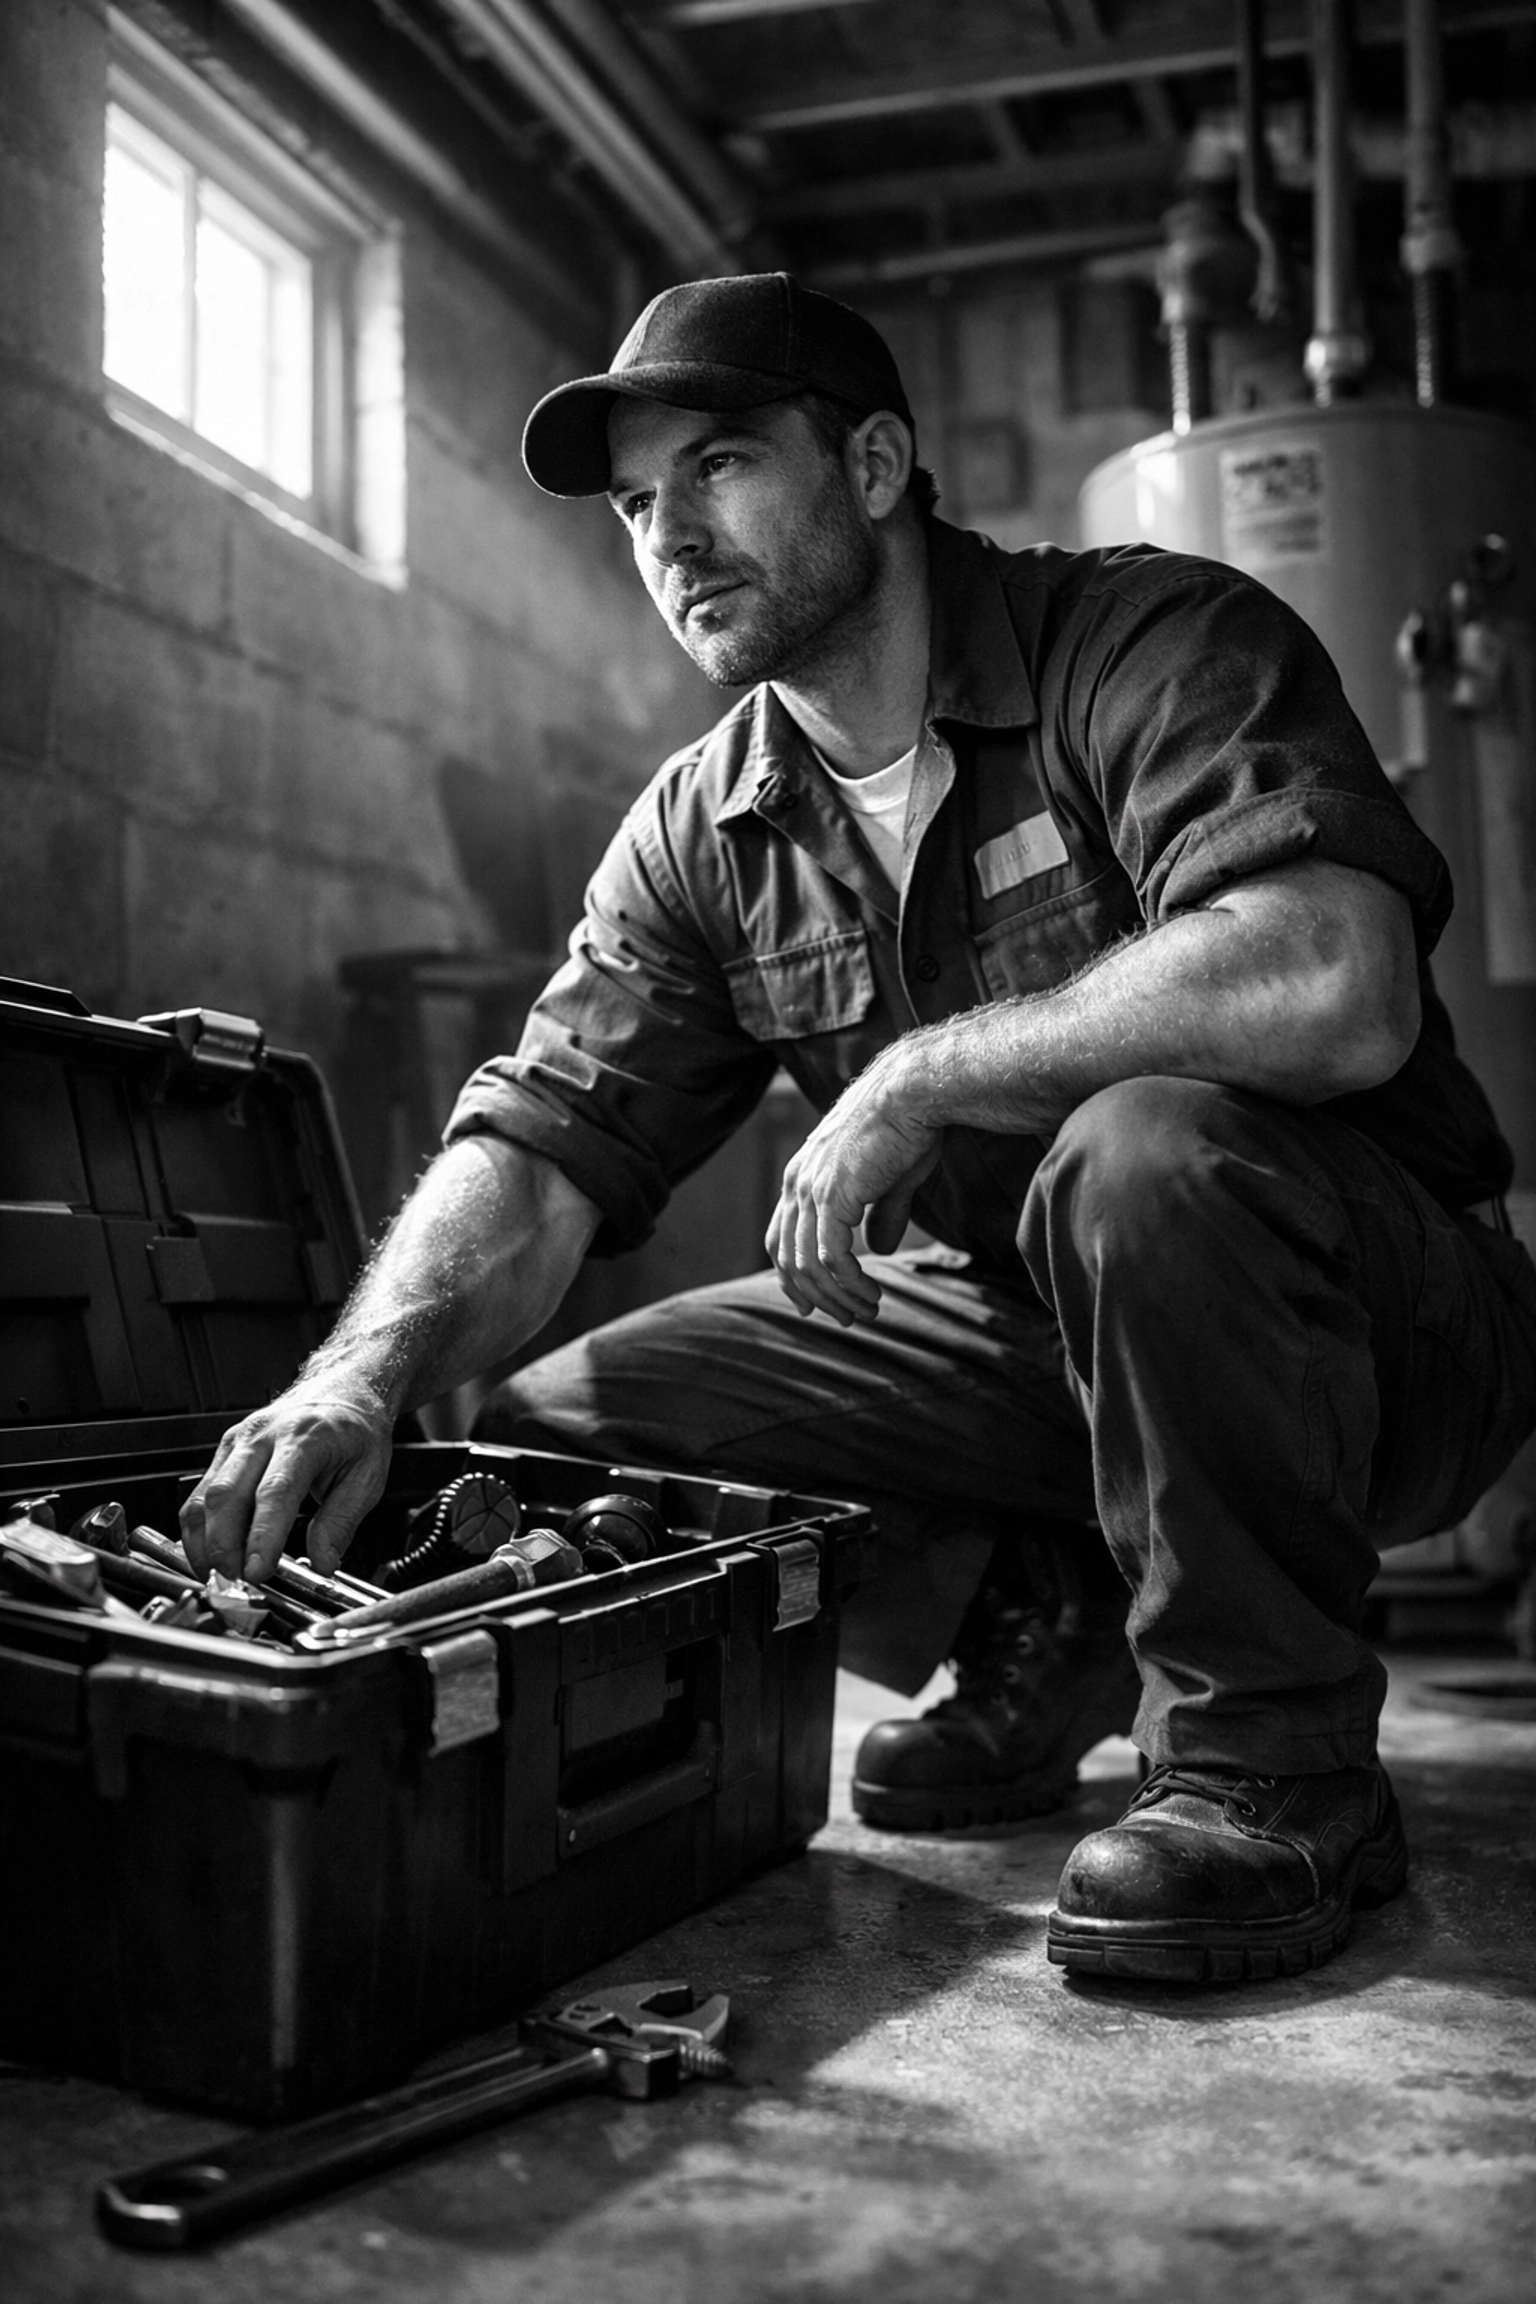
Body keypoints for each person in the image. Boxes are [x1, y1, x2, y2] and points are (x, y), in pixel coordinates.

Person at [183, 272, 1536, 1985]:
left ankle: (1271, 1770)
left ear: (878, 464)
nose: (670, 535)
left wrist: (922, 1071)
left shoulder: (1143, 640)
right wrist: (356, 1376)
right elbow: (536, 1149)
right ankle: (1038, 1621)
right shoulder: (706, 826)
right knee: (572, 1421)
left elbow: (1336, 981)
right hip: (1053, 1350)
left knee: (1144, 1147)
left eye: (722, 465)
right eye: (634, 504)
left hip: (1387, 1328)